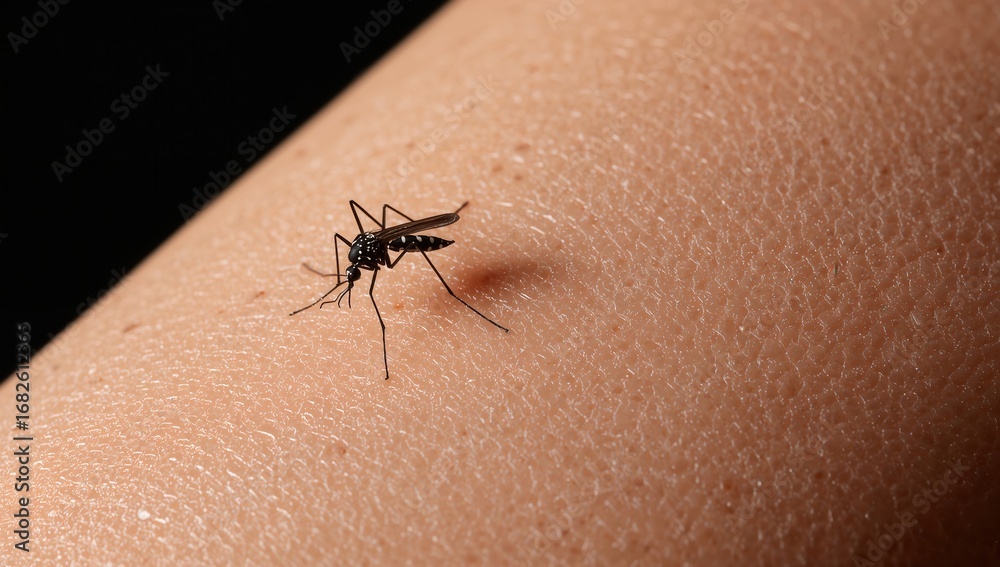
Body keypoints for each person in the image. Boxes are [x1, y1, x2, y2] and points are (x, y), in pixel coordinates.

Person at [3, 0, 996, 564]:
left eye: (353, 274)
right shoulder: (360, 252)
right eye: (353, 274)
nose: (355, 278)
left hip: (442, 244)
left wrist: (423, 262)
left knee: (398, 264)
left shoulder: (389, 257)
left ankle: (466, 286)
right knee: (363, 245)